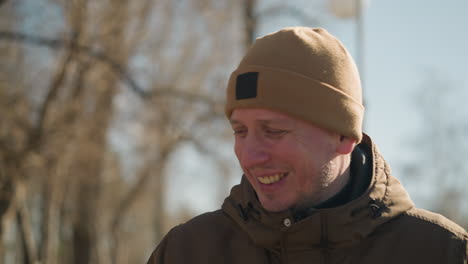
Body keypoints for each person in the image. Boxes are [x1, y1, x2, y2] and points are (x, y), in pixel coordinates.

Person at [147, 27, 467, 263]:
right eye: (240, 131)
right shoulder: (187, 252)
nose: (249, 155)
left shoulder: (442, 252)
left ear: (342, 136)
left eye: (273, 131)